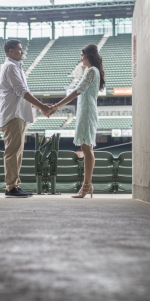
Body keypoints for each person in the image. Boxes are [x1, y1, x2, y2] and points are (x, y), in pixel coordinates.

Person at [0, 39, 53, 198]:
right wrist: (42, 106)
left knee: (17, 152)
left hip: (17, 114)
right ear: (10, 51)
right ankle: (11, 187)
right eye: (19, 49)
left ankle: (14, 185)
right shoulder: (10, 67)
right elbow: (21, 91)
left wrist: (39, 106)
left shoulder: (15, 67)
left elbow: (23, 93)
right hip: (12, 114)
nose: (22, 52)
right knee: (13, 152)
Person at [48, 44, 105, 198]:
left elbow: (76, 91)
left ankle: (86, 186)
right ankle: (88, 184)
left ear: (89, 56)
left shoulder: (92, 71)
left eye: (82, 55)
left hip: (87, 112)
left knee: (87, 149)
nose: (81, 58)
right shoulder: (93, 71)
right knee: (87, 148)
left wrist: (57, 106)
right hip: (85, 111)